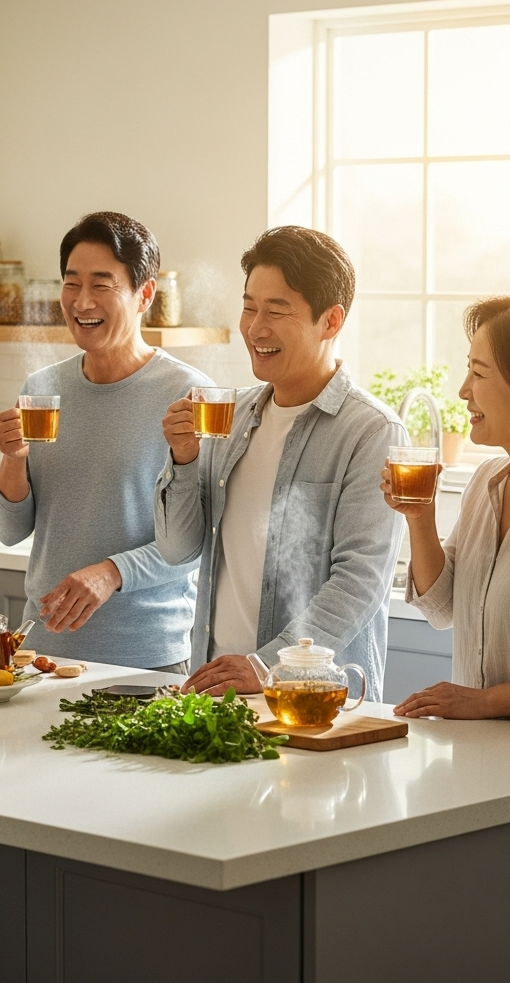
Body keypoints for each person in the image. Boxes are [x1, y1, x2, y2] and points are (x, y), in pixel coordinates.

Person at [155, 226, 406, 700]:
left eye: (276, 310)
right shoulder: (229, 417)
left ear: (331, 321)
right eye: (249, 306)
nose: (255, 328)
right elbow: (177, 549)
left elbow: (359, 582)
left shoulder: (372, 432)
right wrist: (183, 460)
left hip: (316, 701)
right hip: (215, 691)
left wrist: (268, 666)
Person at [0, 212, 210, 672]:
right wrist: (13, 459)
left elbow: (197, 542)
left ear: (144, 294)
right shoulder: (42, 387)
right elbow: (10, 531)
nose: (82, 301)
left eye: (101, 284)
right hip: (43, 654)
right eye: (71, 283)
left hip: (145, 659)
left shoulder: (190, 396)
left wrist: (111, 573)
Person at [386, 292, 510, 725]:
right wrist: (419, 518)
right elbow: (443, 609)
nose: (463, 390)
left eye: (479, 373)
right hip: (482, 756)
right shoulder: (487, 480)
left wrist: (480, 702)